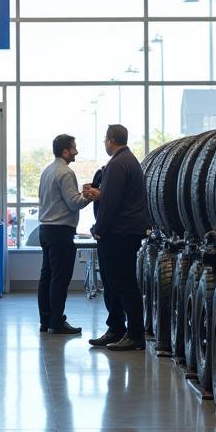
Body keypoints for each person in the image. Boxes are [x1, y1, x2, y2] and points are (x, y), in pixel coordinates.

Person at [88, 124, 147, 350]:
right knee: (114, 283)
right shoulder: (129, 160)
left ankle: (133, 334)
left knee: (123, 283)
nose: (105, 143)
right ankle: (116, 329)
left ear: (111, 141)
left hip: (118, 234)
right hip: (125, 232)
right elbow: (116, 197)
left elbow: (111, 203)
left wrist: (99, 228)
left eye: (105, 140)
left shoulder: (117, 164)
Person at [36, 134, 97, 334]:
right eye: (73, 148)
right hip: (60, 230)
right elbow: (73, 203)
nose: (76, 152)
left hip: (45, 229)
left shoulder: (47, 171)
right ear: (65, 151)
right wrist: (88, 195)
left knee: (47, 276)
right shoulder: (65, 172)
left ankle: (46, 321)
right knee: (60, 278)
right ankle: (57, 321)